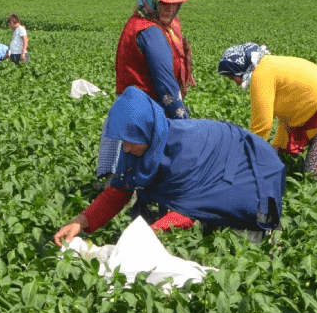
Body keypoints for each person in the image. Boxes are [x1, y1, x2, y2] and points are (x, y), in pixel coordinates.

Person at [54, 87, 286, 248]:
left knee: (235, 233)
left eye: (129, 141)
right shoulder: (137, 145)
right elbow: (119, 191)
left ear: (147, 131)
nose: (125, 149)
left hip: (249, 170)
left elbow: (188, 210)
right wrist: (79, 222)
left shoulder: (185, 151)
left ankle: (262, 237)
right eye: (122, 141)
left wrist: (146, 236)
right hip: (221, 165)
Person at [218, 43, 317, 183]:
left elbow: (262, 125)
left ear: (240, 68)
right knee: (313, 175)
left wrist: (244, 160)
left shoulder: (262, 74)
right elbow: (286, 117)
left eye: (233, 78)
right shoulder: (268, 67)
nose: (237, 84)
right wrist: (276, 149)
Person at [97, 0, 196, 177]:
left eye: (174, 3)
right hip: (142, 111)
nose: (170, 8)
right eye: (163, 2)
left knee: (128, 171)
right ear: (150, 0)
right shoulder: (149, 31)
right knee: (134, 171)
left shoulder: (157, 25)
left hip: (134, 105)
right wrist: (181, 118)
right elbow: (164, 81)